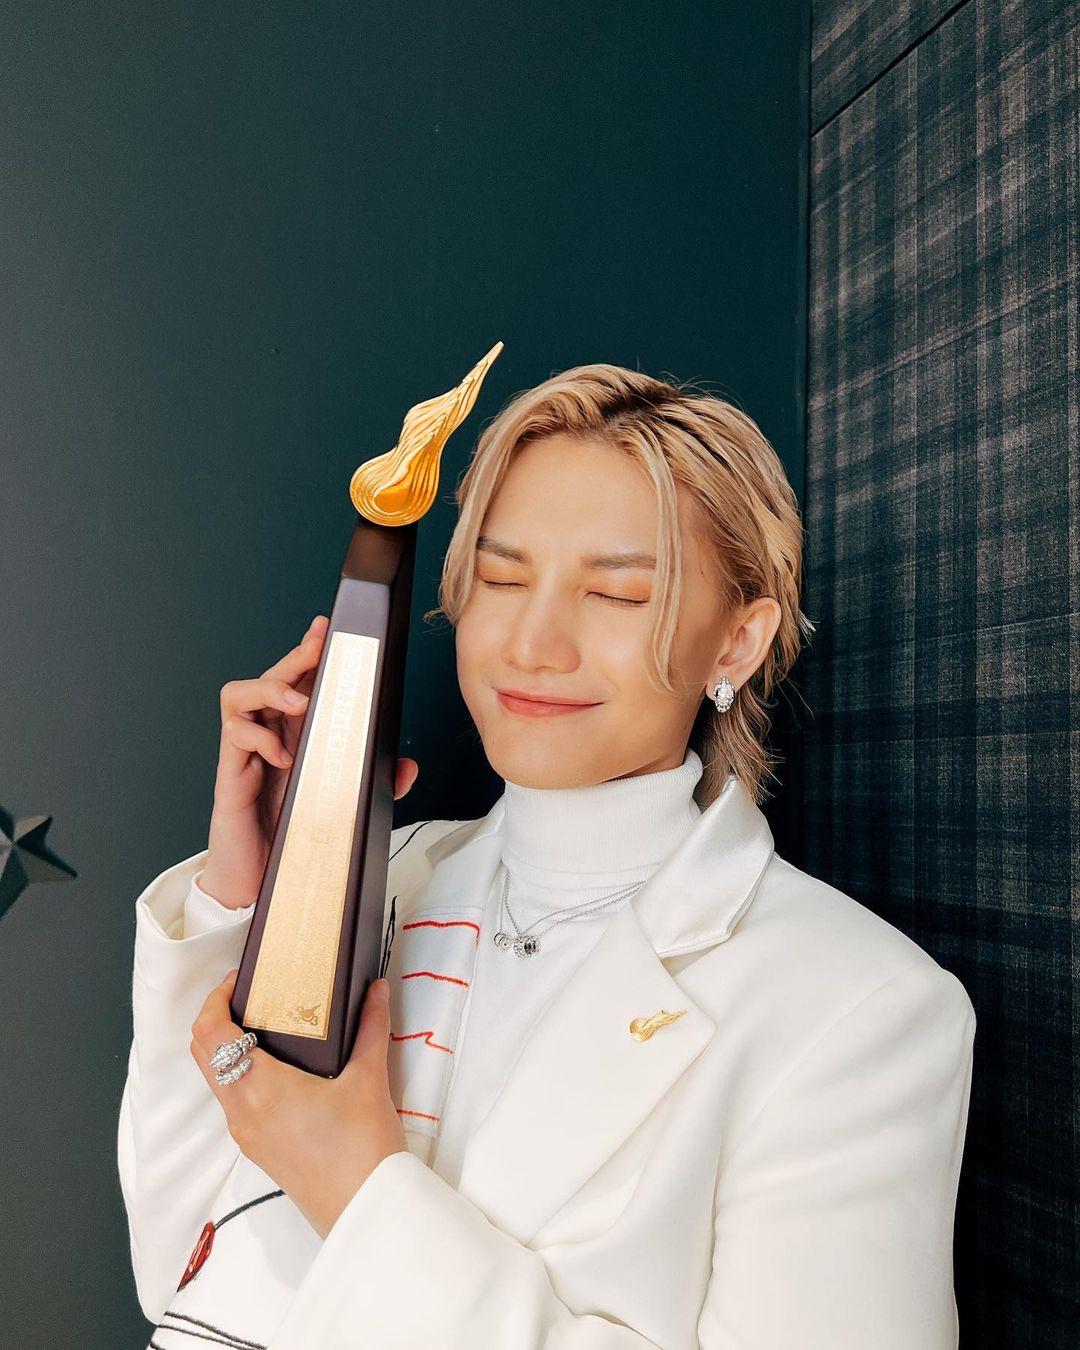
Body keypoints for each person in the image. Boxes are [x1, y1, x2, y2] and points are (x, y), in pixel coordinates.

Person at [117, 363, 975, 1349]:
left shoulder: (861, 1010)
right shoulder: (379, 885)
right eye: (502, 577)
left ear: (737, 643)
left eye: (615, 592)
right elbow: (176, 1270)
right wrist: (245, 899)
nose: (532, 643)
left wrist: (356, 1191)